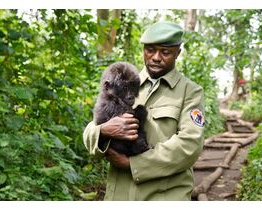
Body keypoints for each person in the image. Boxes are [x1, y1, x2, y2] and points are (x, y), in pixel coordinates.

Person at [83, 21, 205, 200]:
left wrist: (133, 164)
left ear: (178, 53)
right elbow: (91, 128)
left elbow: (190, 145)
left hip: (163, 197)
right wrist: (103, 130)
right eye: (150, 50)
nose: (156, 57)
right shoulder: (125, 80)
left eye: (165, 52)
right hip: (120, 195)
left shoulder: (190, 91)